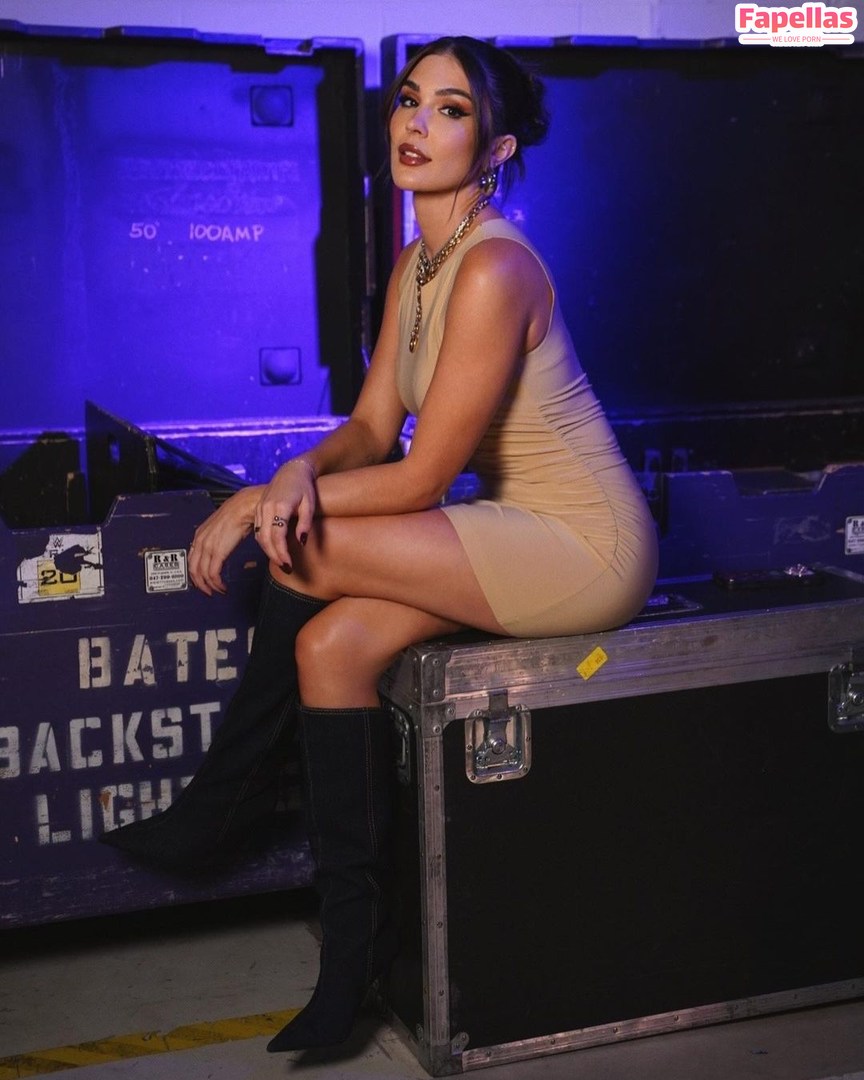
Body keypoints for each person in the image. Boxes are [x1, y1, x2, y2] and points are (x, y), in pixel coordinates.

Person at [100, 35, 658, 1053]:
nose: (417, 123)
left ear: (495, 149)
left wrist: (259, 505)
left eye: (452, 109)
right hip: (505, 526)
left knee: (300, 550)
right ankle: (352, 967)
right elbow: (368, 430)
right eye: (410, 99)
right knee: (330, 647)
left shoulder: (493, 268)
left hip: (582, 541)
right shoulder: (418, 263)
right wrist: (291, 474)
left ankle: (221, 806)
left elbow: (417, 479)